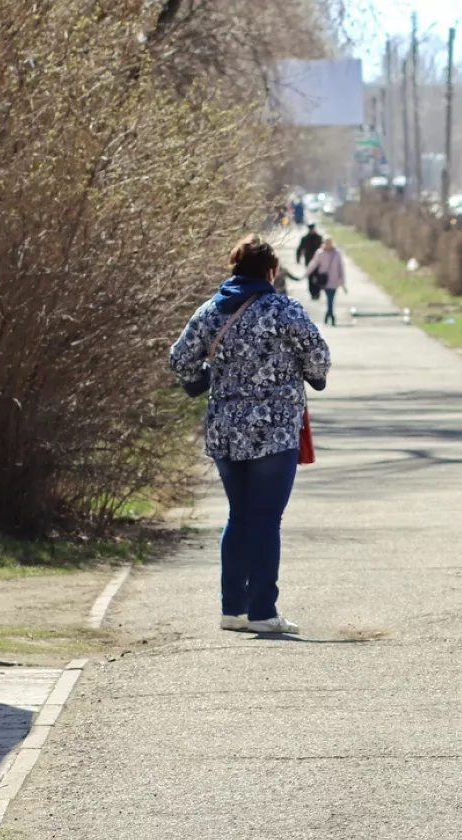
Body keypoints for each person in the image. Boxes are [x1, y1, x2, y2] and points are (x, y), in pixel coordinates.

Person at [170, 236, 331, 636]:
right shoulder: (284, 309)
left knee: (239, 516)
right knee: (266, 519)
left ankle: (233, 610)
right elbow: (318, 356)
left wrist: (204, 380)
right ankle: (262, 610)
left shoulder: (212, 310)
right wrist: (311, 376)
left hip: (225, 432)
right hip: (274, 431)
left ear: (235, 269)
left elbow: (180, 359)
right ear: (271, 272)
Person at [305, 237, 347, 325]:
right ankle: (332, 316)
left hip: (335, 280)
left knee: (331, 298)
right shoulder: (320, 253)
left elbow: (341, 267)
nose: (328, 245)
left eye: (329, 243)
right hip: (325, 280)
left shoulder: (337, 253)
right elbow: (314, 263)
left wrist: (342, 281)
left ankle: (328, 314)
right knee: (329, 298)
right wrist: (306, 273)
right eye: (326, 243)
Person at [297, 223, 325, 300]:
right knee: (310, 278)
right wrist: (298, 258)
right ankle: (312, 293)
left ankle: (317, 293)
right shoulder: (305, 238)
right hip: (309, 261)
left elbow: (324, 249)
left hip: (319, 262)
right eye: (310, 229)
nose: (312, 230)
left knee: (318, 278)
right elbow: (300, 249)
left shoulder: (319, 238)